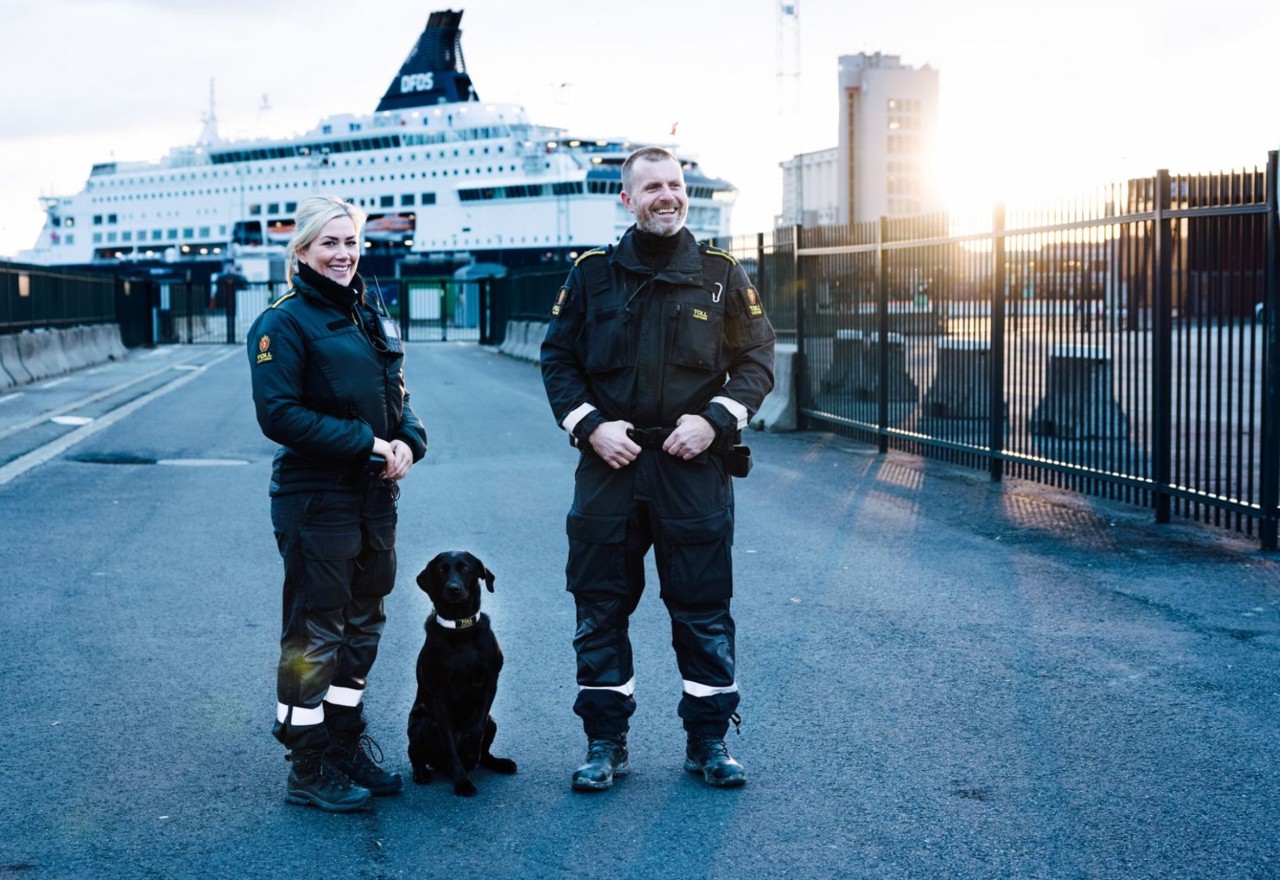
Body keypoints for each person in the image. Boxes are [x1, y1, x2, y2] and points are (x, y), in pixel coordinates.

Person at [540, 146, 776, 791]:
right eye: (652, 187)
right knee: (600, 607)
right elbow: (558, 361)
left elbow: (757, 359)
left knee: (702, 608)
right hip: (610, 467)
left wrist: (716, 420)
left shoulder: (723, 275)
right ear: (628, 199)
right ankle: (604, 742)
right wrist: (590, 426)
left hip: (691, 467)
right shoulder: (590, 277)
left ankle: (708, 743)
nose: (667, 195)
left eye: (675, 184)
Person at [247, 195, 427, 812]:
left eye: (350, 242)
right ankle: (307, 764)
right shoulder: (283, 322)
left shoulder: (366, 315)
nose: (343, 254)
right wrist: (366, 442)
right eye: (329, 243)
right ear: (301, 252)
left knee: (363, 626)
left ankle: (344, 740)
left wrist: (408, 442)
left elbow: (396, 397)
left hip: (374, 497)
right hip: (315, 500)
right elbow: (279, 415)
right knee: (315, 630)